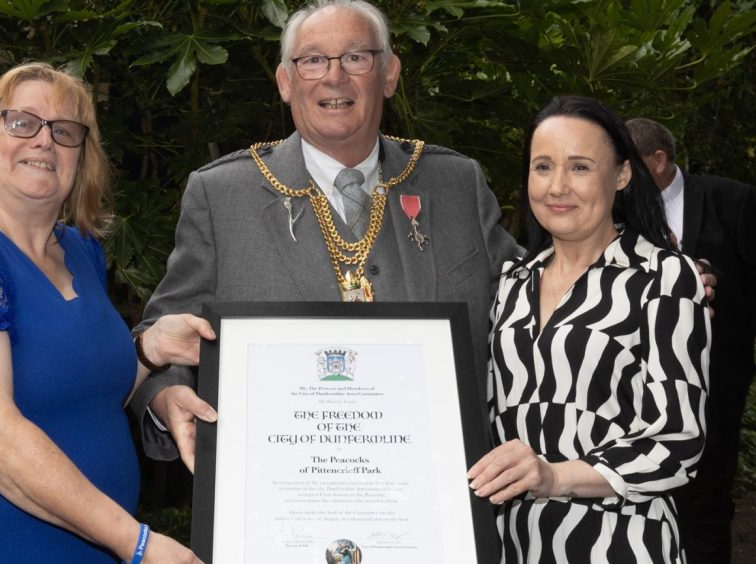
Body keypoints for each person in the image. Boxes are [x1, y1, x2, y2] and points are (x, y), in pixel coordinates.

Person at [128, 0, 522, 468]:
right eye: (313, 60)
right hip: (281, 502)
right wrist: (165, 393)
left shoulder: (456, 184)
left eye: (356, 57)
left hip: (441, 496)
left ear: (390, 74)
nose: (335, 77)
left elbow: (532, 321)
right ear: (285, 82)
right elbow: (164, 334)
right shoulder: (221, 195)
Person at [0, 62, 211, 563]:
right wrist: (136, 543)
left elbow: (78, 391)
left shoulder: (80, 252)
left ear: (82, 158)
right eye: (21, 122)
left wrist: (150, 349)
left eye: (65, 131)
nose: (45, 141)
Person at [467, 95, 711, 562]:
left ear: (621, 174)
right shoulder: (511, 284)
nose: (557, 186)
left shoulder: (665, 277)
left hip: (623, 543)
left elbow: (678, 441)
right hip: (516, 544)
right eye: (542, 167)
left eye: (580, 167)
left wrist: (554, 475)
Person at [627, 117, 756, 564]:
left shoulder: (732, 200)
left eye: (630, 164)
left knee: (708, 501)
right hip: (637, 382)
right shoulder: (616, 209)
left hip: (716, 380)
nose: (620, 175)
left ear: (658, 160)